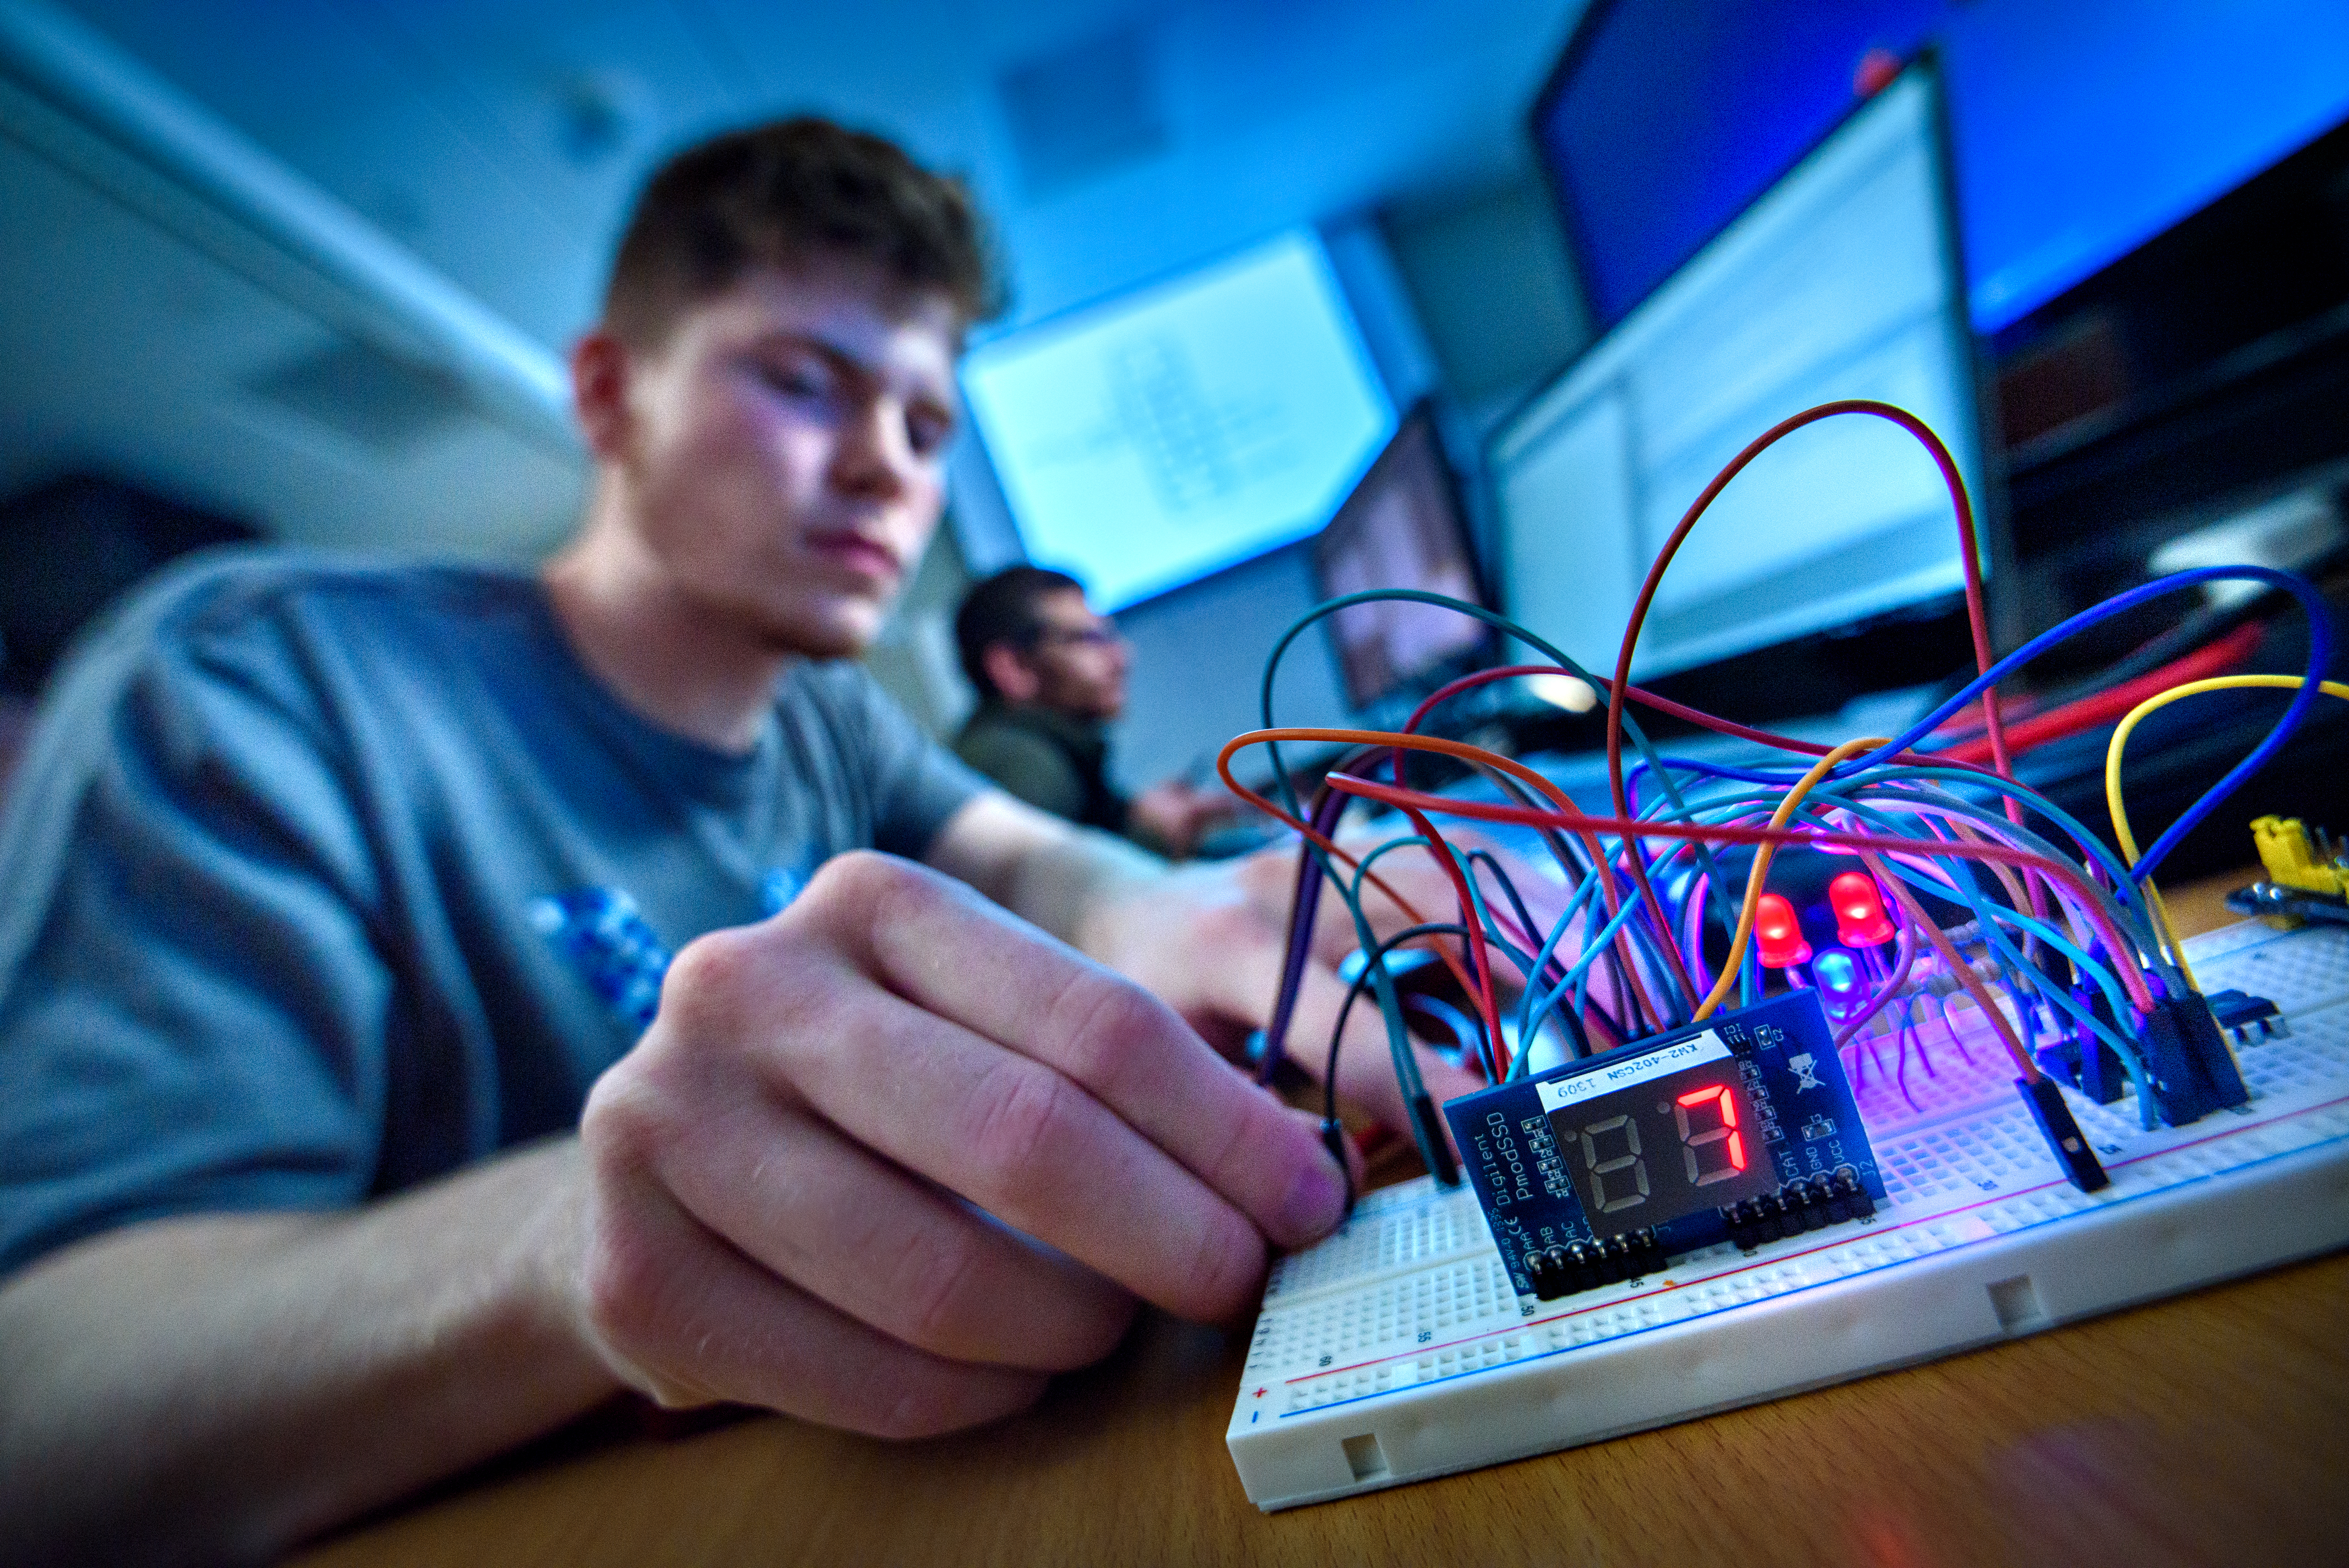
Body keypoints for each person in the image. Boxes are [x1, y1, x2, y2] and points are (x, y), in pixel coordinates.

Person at [0, 117, 1477, 1564]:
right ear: (607, 394)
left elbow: (1024, 855)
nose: (887, 469)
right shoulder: (256, 687)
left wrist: (1154, 905)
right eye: (802, 383)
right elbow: (43, 1414)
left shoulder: (821, 718)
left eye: (921, 424)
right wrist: (566, 1245)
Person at [951, 566, 1236, 857]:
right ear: (1014, 669)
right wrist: (1151, 836)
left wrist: (1139, 818)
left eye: (1109, 636)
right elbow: (1049, 894)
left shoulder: (1030, 746)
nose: (1122, 658)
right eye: (1088, 640)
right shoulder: (1022, 766)